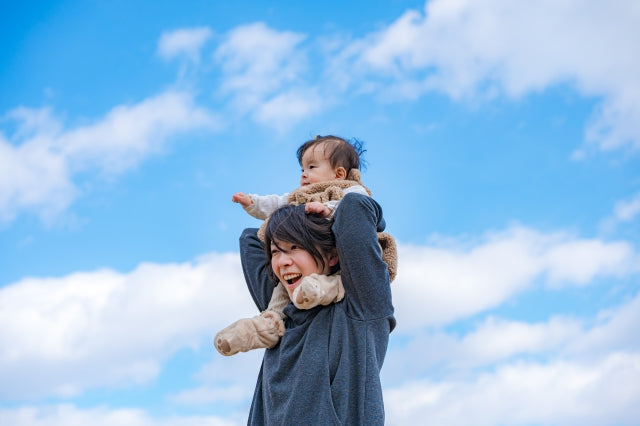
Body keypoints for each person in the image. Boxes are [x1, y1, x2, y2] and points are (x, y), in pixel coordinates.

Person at [214, 136, 397, 356]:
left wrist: (329, 210)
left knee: (330, 281)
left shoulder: (349, 191)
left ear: (338, 173)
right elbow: (272, 208)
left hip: (341, 268)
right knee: (280, 289)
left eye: (311, 167)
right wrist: (252, 203)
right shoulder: (300, 198)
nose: (303, 173)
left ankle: (321, 289)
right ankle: (268, 325)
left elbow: (359, 209)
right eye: (302, 168)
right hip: (304, 283)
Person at [242, 195, 395, 424]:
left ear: (333, 255)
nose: (282, 261)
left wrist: (328, 209)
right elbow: (249, 239)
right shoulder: (280, 318)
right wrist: (291, 208)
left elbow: (356, 206)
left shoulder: (361, 304)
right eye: (276, 251)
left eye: (294, 247)